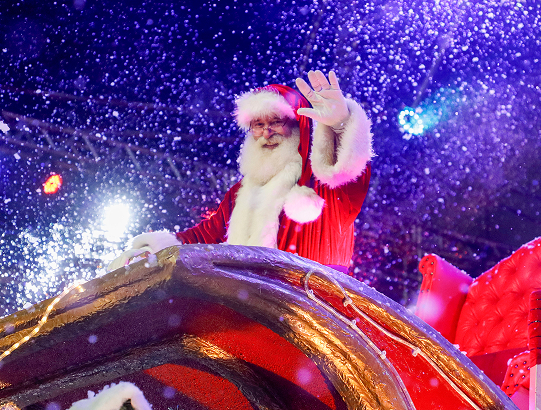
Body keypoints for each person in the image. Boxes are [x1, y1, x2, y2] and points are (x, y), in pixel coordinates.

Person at [107, 70, 373, 273]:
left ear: (297, 125)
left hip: (313, 320)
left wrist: (340, 125)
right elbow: (200, 238)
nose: (266, 133)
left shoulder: (323, 184)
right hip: (251, 315)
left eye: (276, 122)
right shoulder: (240, 193)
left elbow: (350, 172)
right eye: (258, 124)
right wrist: (151, 253)